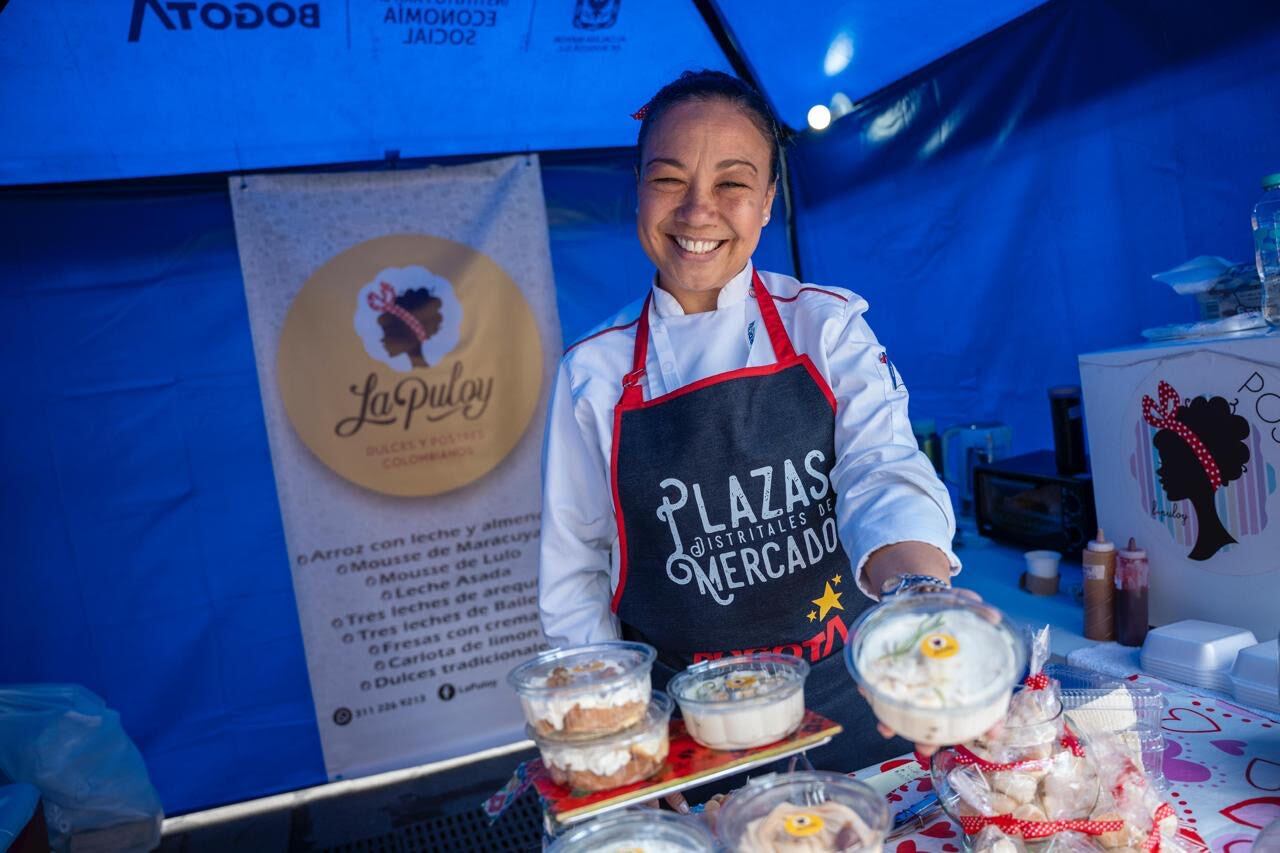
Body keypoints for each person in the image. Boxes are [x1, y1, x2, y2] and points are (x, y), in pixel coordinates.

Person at [537, 70, 962, 780]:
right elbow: (575, 570)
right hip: (694, 741)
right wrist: (618, 740)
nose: (698, 210)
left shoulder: (824, 327)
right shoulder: (593, 373)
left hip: (862, 712)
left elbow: (880, 468)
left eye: (732, 182)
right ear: (638, 192)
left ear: (768, 202)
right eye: (669, 179)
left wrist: (918, 597)